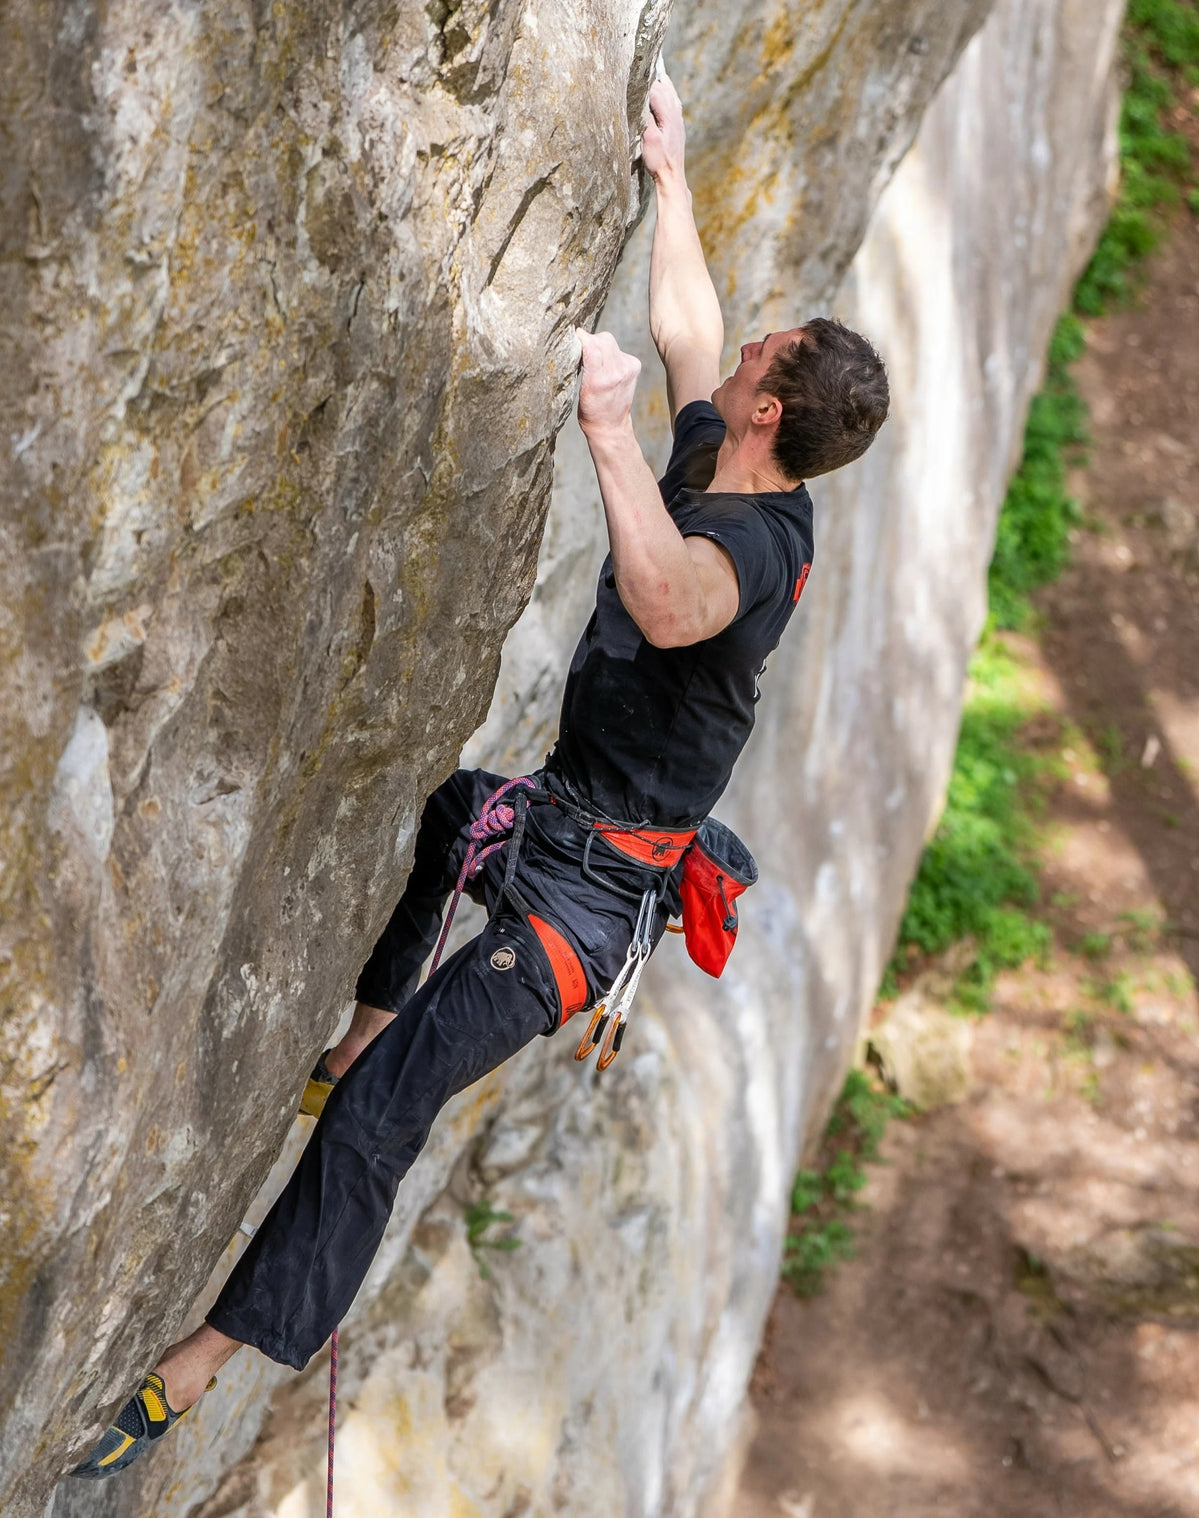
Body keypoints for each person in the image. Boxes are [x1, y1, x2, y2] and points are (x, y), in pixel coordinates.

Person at [72, 72, 888, 1478]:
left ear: (773, 410)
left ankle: (201, 1365)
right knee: (449, 813)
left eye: (770, 350)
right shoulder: (740, 457)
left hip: (583, 907)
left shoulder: (746, 551)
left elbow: (663, 594)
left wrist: (604, 436)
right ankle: (359, 1032)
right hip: (554, 820)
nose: (750, 338)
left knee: (388, 1119)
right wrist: (671, 181)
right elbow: (690, 333)